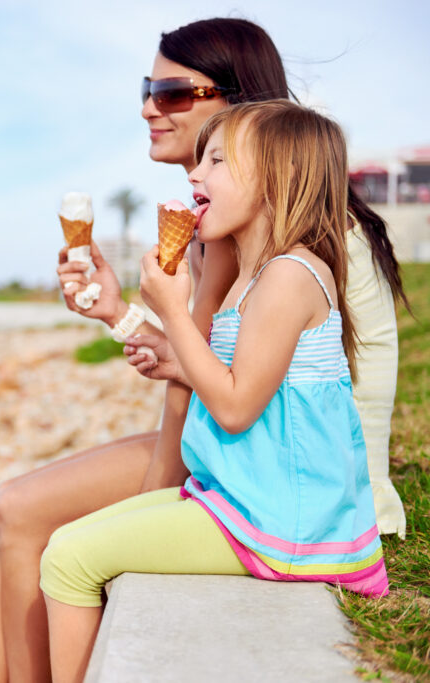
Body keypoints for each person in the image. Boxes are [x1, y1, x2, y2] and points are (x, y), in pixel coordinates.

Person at [0, 17, 406, 683]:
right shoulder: (237, 228)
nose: (148, 106)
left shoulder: (289, 242)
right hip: (257, 457)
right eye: (148, 88)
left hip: (296, 486)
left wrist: (156, 498)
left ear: (237, 106)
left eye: (172, 92)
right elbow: (202, 357)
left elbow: (207, 389)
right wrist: (115, 311)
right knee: (16, 508)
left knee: (24, 512)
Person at [39, 99, 388, 683]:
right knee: (71, 536)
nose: (196, 175)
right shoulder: (253, 274)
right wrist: (116, 311)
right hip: (244, 498)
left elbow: (231, 406)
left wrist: (173, 309)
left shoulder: (289, 276)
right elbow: (194, 365)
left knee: (67, 559)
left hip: (282, 521)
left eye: (218, 161)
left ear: (280, 180)